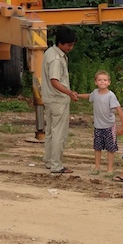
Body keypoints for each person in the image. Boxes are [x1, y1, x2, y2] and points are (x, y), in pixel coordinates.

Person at [41, 25, 79, 174]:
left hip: (49, 99)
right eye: (69, 45)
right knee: (58, 133)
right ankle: (56, 165)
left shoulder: (49, 52)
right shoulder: (56, 59)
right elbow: (55, 81)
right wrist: (69, 92)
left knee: (50, 131)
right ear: (61, 43)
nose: (71, 48)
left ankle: (50, 161)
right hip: (57, 100)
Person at [78, 70, 123, 175]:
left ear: (109, 82)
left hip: (109, 126)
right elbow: (89, 96)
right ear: (95, 82)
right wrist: (78, 95)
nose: (102, 82)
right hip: (98, 126)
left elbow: (118, 109)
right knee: (97, 147)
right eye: (100, 80)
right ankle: (97, 167)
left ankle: (110, 169)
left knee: (110, 148)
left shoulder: (110, 95)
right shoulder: (95, 93)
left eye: (105, 80)